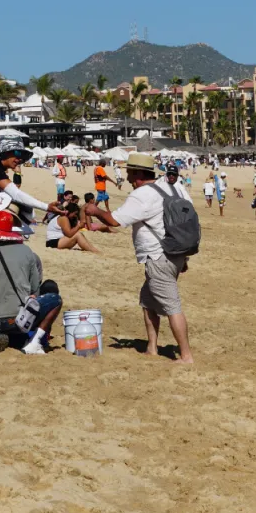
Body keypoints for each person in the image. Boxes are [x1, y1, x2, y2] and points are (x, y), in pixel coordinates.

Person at [84, 153, 195, 363]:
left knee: (172, 306)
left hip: (158, 256)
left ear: (137, 174)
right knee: (147, 301)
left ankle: (186, 356)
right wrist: (184, 258)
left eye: (129, 173)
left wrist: (94, 210)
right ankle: (152, 348)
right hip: (175, 253)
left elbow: (115, 221)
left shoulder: (143, 194)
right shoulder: (171, 187)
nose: (127, 178)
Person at [0, 211, 63, 355]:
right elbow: (34, 289)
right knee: (54, 298)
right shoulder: (26, 252)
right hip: (15, 320)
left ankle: (4, 337)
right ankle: (36, 342)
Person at [0, 138, 63, 220]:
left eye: (22, 156)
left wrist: (17, 173)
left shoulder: (0, 169)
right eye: (17, 153)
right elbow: (16, 193)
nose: (19, 159)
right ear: (5, 153)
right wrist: (47, 207)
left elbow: (15, 189)